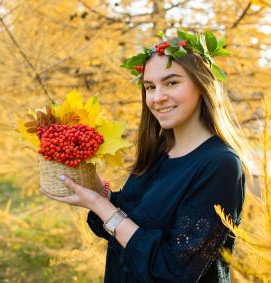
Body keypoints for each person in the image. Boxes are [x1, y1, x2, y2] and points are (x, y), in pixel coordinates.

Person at [41, 30, 253, 283]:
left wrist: (100, 206)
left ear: (202, 84)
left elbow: (173, 271)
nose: (157, 97)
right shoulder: (160, 152)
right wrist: (99, 194)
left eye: (171, 82)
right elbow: (137, 224)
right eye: (149, 87)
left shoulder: (220, 165)